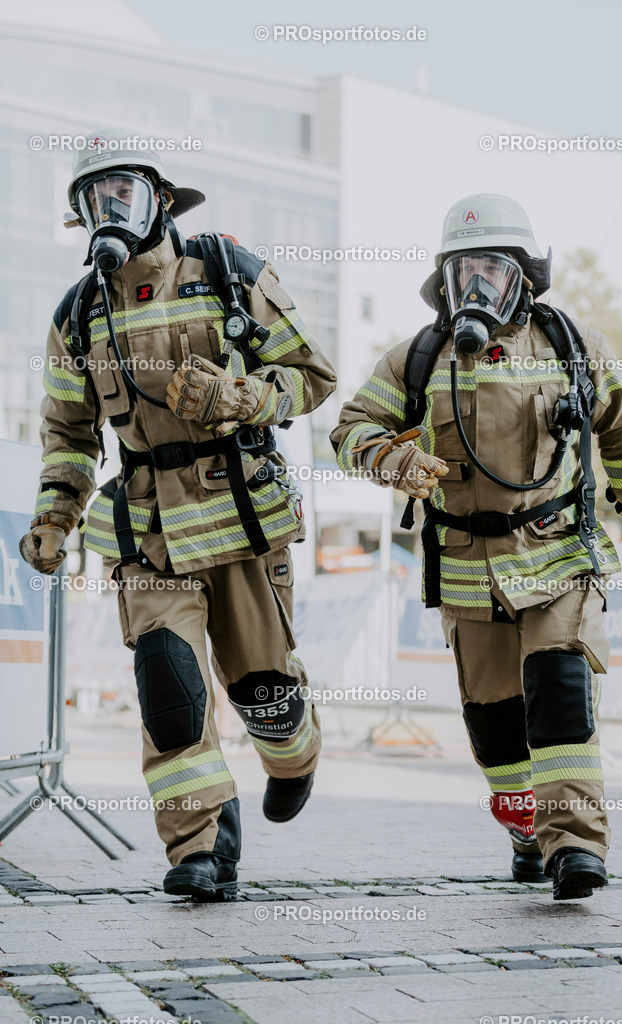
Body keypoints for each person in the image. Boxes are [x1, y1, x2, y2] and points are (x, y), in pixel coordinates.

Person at [20, 129, 337, 901]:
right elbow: (67, 435)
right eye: (95, 199)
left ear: (161, 198)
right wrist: (56, 517)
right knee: (170, 693)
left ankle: (293, 754)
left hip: (241, 516)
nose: (111, 209)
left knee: (264, 688)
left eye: (123, 191)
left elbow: (313, 376)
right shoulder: (77, 316)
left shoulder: (229, 272)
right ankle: (197, 845)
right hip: (147, 529)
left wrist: (243, 398)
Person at [330, 194, 622, 900]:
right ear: (443, 282)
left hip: (557, 554)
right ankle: (525, 828)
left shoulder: (570, 345)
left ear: (522, 274)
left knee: (560, 692)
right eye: (462, 272)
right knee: (494, 730)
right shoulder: (417, 358)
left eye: (490, 268)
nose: (475, 286)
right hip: (465, 566)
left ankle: (574, 844)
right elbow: (349, 430)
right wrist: (390, 460)